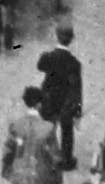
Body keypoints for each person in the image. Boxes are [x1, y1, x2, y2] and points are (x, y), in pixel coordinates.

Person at [36, 24, 85, 170]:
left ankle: (44, 157)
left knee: (47, 128)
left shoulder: (48, 57)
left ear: (56, 36)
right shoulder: (74, 63)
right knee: (67, 131)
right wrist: (77, 110)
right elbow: (76, 88)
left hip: (48, 99)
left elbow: (40, 66)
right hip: (65, 103)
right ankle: (66, 160)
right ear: (72, 39)